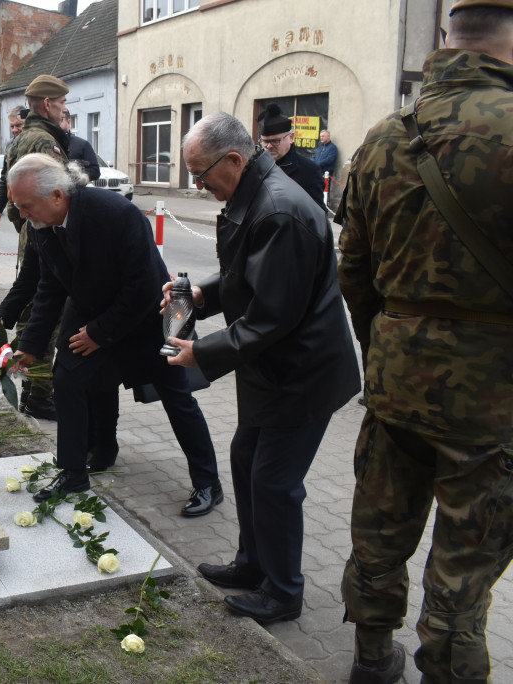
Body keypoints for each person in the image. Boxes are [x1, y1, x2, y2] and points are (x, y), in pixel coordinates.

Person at [336, 1, 513, 680]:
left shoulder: (384, 136)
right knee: (464, 571)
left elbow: (354, 269)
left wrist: (385, 347)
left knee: (378, 534)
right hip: (491, 398)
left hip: (396, 380)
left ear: (448, 36)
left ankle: (371, 660)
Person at [168, 112, 359, 625]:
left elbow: (272, 317)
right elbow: (246, 275)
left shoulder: (278, 209)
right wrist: (203, 295)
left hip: (302, 374)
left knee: (273, 482)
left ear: (233, 159)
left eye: (201, 174)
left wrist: (201, 352)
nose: (198, 185)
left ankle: (283, 591)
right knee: (245, 460)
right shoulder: (252, 195)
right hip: (274, 370)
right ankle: (253, 565)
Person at [7, 154, 222, 514]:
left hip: (152, 316)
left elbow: (143, 286)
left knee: (177, 396)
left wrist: (99, 333)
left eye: (27, 206)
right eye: (17, 206)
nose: (23, 215)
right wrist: (30, 346)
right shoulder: (43, 225)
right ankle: (73, 471)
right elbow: (50, 287)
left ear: (58, 196)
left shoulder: (114, 213)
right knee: (69, 378)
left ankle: (207, 483)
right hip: (91, 312)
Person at [1, 74, 73, 421]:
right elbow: (61, 195)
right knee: (48, 318)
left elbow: (10, 194)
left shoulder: (18, 139)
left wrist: (24, 227)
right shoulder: (46, 142)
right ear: (47, 104)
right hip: (46, 234)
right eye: (60, 104)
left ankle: (25, 385)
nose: (63, 110)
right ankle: (39, 393)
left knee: (30, 314)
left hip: (29, 234)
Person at [257, 104, 325, 208]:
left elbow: (317, 216)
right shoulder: (255, 167)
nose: (269, 146)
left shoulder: (310, 171)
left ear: (291, 137)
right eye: (265, 141)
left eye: (275, 141)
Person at [0, 106, 26, 229]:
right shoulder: (10, 144)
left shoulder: (37, 141)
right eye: (12, 126)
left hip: (35, 206)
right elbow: (5, 178)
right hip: (16, 206)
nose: (15, 130)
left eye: (18, 125)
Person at [60, 106, 100, 181]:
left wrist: (77, 173)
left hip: (76, 189)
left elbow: (95, 171)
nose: (57, 124)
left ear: (68, 122)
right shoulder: (47, 142)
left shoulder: (82, 145)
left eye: (61, 120)